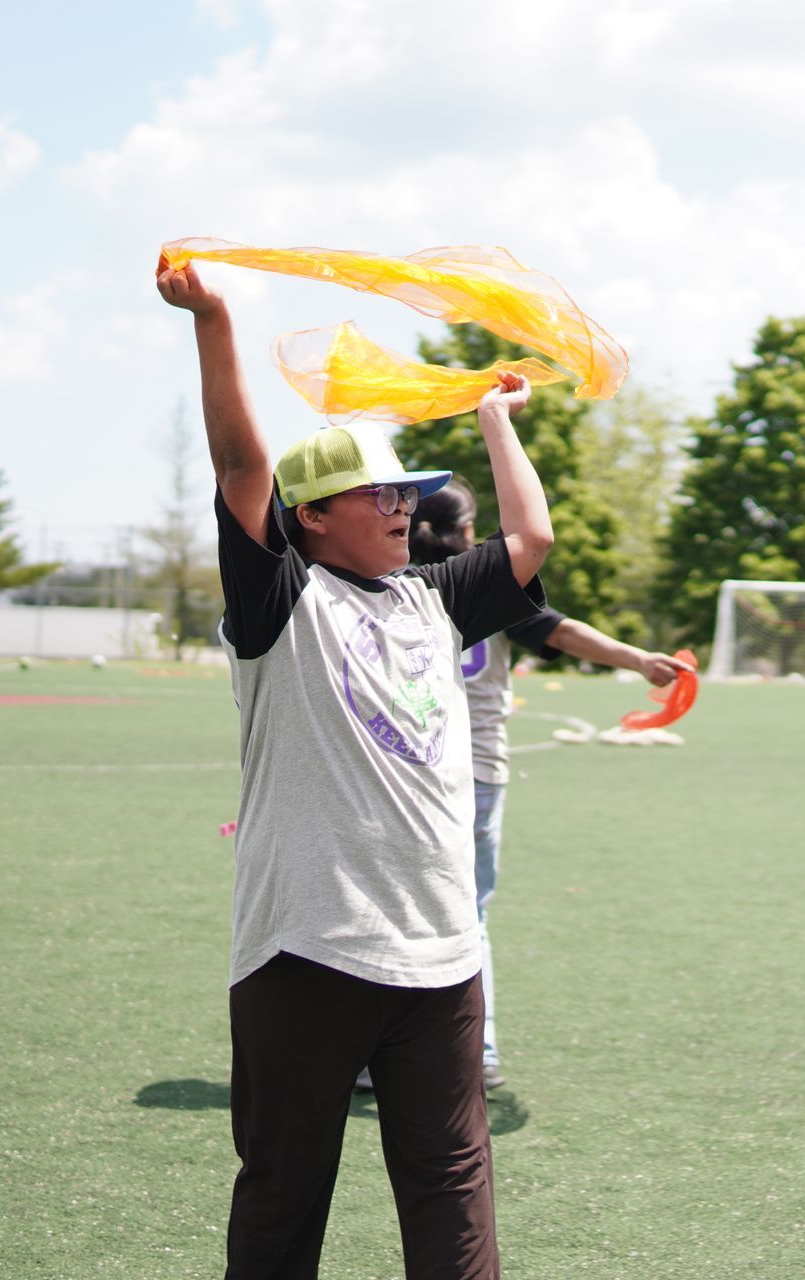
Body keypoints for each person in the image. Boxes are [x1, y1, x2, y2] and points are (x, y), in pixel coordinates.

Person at [157, 255, 554, 1280]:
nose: (397, 507)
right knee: (286, 1194)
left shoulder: (433, 596)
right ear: (312, 516)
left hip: (441, 957)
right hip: (308, 951)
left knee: (455, 1193)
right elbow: (243, 468)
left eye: (403, 492)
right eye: (372, 491)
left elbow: (531, 535)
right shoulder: (281, 605)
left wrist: (493, 417)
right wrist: (214, 320)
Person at [384, 478, 687, 1092]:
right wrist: (640, 660)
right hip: (476, 771)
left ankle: (378, 1058)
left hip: (405, 770)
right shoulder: (480, 584)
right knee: (468, 915)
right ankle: (479, 1050)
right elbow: (561, 631)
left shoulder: (393, 582)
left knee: (395, 911)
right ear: (466, 530)